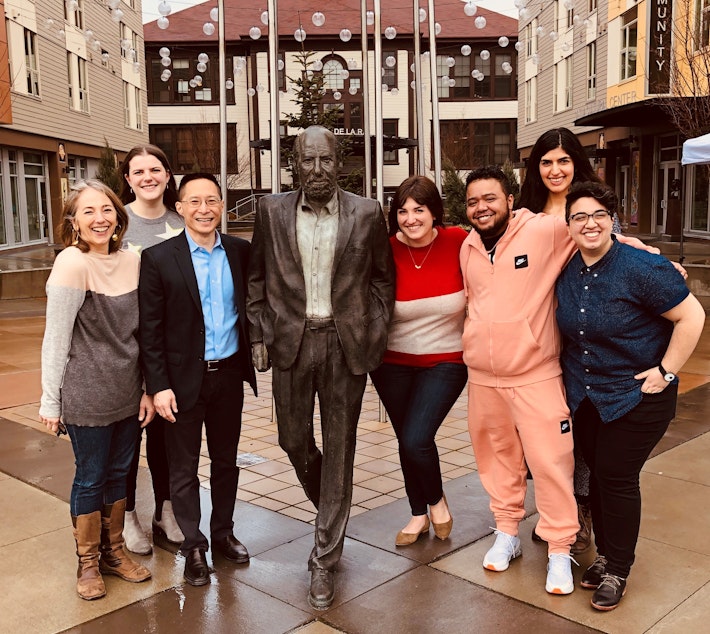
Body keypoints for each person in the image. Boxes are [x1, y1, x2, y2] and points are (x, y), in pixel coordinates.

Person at [247, 125, 395, 609]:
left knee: (341, 448)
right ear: (294, 163)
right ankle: (332, 511)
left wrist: (370, 331)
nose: (316, 171)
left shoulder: (368, 212)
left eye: (326, 161)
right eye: (307, 161)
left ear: (340, 162)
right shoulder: (270, 212)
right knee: (293, 439)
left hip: (342, 343)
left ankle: (324, 558)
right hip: (291, 342)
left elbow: (381, 280)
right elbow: (256, 280)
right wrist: (258, 334)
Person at [556, 182, 705, 611]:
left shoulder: (641, 267)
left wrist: (666, 371)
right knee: (599, 478)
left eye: (599, 215)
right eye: (580, 216)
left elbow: (692, 315)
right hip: (587, 396)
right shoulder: (568, 270)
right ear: (568, 225)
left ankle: (618, 568)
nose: (590, 224)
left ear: (612, 221)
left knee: (616, 478)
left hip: (638, 395)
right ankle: (605, 554)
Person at [460, 165, 580, 596]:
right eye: (473, 201)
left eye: (490, 198)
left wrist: (659, 264)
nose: (481, 208)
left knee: (551, 463)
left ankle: (560, 549)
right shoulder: (468, 247)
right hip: (483, 379)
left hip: (535, 374)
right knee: (497, 462)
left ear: (510, 200)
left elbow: (601, 238)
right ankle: (507, 532)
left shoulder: (543, 230)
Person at [138, 173, 257, 587]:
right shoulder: (159, 258)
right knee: (183, 468)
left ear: (223, 206)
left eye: (212, 201)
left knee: (226, 461)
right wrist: (158, 386)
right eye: (195, 201)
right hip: (180, 383)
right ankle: (193, 545)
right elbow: (150, 329)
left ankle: (223, 532)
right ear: (181, 207)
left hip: (228, 376)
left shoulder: (241, 252)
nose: (204, 209)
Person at [39, 180, 153, 601]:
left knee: (120, 474)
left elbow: (143, 334)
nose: (99, 218)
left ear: (118, 217)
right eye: (88, 212)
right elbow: (56, 338)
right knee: (90, 478)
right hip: (87, 394)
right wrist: (51, 400)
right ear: (73, 221)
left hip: (128, 391)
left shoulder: (133, 261)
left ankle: (115, 552)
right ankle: (87, 562)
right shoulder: (71, 263)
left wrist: (146, 388)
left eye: (106, 209)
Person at [518, 127, 618, 552]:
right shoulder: (524, 213)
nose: (555, 170)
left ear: (576, 162)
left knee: (580, 429)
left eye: (563, 160)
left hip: (582, 334)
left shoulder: (588, 207)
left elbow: (616, 243)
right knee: (544, 435)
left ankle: (580, 520)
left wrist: (655, 257)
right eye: (546, 162)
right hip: (536, 337)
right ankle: (555, 513)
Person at [370, 175, 467, 546]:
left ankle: (437, 502)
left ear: (434, 213)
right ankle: (417, 514)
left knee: (416, 437)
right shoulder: (383, 249)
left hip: (446, 359)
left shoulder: (459, 240)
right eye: (402, 211)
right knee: (406, 438)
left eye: (419, 210)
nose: (410, 218)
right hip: (391, 362)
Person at [118, 144, 185, 555]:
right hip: (124, 346)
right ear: (127, 178)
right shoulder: (115, 220)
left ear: (166, 175)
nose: (147, 177)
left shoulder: (182, 222)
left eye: (155, 169)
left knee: (166, 438)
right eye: (138, 171)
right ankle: (127, 515)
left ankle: (167, 509)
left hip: (168, 348)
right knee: (128, 437)